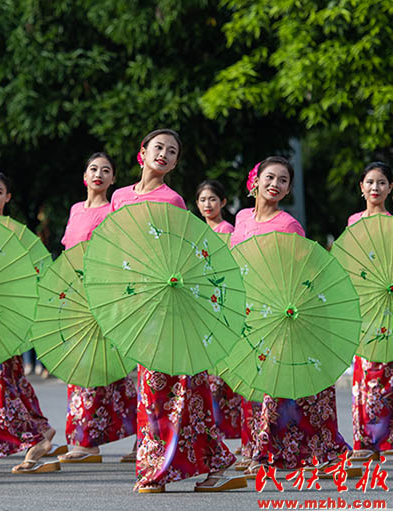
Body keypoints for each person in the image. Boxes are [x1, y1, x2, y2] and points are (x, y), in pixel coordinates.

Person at [112, 130, 241, 493]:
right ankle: (217, 462)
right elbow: (113, 248)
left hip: (168, 300)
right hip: (135, 300)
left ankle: (155, 470)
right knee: (180, 387)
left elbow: (179, 252)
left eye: (172, 151)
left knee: (163, 385)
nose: (164, 154)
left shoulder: (172, 201)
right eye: (159, 148)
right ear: (143, 153)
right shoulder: (120, 198)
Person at [233, 156, 350, 474]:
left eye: (282, 180)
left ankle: (269, 451)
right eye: (270, 177)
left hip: (281, 312)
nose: (275, 184)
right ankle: (255, 446)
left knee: (280, 385)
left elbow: (305, 271)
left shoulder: (288, 225)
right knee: (254, 383)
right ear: (254, 181)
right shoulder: (242, 218)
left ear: (287, 190)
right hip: (250, 313)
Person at [0, 171, 64, 473]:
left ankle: (34, 436)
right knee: (10, 376)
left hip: (7, 312)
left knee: (5, 377)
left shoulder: (16, 231)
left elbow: (26, 271)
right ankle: (41, 428)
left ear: (7, 198)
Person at [55, 153, 139, 466]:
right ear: (84, 175)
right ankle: (86, 440)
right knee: (84, 369)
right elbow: (67, 253)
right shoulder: (76, 210)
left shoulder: (113, 211)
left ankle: (89, 442)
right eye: (93, 169)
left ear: (114, 179)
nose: (99, 174)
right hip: (75, 296)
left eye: (106, 170)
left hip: (104, 294)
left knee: (104, 370)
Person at [348, 162, 393, 463]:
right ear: (361, 187)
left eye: (381, 182)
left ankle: (386, 439)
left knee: (386, 372)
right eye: (369, 182)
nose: (374, 188)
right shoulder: (353, 222)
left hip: (387, 303)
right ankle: (363, 438)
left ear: (391, 188)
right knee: (363, 372)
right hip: (362, 302)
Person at [194, 180, 241, 442]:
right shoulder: (196, 233)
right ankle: (213, 430)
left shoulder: (228, 231)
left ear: (223, 202)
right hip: (201, 304)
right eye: (202, 200)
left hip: (221, 302)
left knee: (223, 371)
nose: (207, 205)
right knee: (207, 372)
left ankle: (226, 429)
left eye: (212, 199)